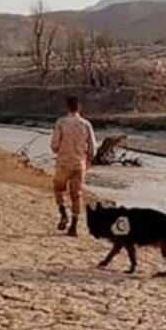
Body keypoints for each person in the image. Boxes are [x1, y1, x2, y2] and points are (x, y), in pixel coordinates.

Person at [51, 96, 97, 236]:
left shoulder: (61, 123)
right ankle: (74, 225)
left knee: (59, 189)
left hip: (63, 163)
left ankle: (63, 213)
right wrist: (87, 160)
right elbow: (93, 148)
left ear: (67, 107)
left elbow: (54, 145)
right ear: (79, 108)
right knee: (76, 194)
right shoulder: (86, 124)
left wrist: (61, 150)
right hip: (79, 164)